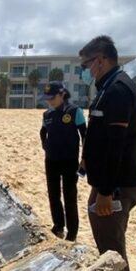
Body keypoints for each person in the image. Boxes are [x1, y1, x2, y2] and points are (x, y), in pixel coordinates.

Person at [75, 35, 136, 271]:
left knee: (111, 245)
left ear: (101, 60)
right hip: (111, 181)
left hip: (115, 186)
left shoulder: (117, 90)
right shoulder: (110, 87)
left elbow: (115, 145)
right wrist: (87, 159)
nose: (86, 69)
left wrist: (105, 192)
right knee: (111, 239)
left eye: (87, 64)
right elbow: (101, 135)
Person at [40, 81, 87, 241]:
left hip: (69, 161)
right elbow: (43, 132)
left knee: (69, 196)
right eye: (47, 98)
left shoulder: (75, 111)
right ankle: (58, 225)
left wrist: (84, 159)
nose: (50, 101)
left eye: (52, 97)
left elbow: (84, 135)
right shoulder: (47, 114)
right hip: (51, 160)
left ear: (61, 94)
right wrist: (45, 147)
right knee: (53, 194)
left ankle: (72, 232)